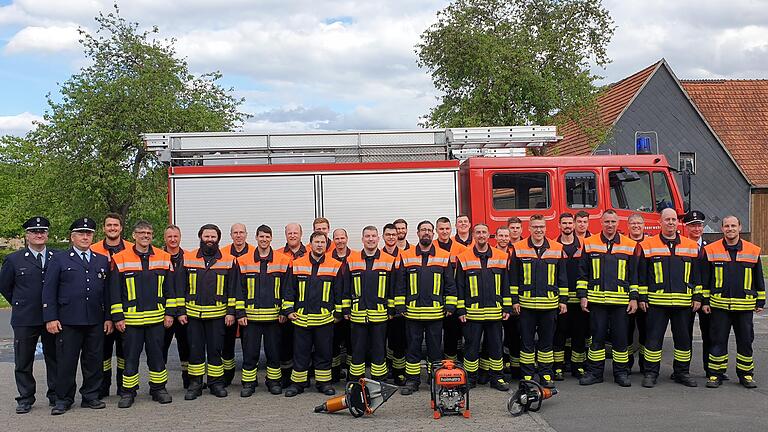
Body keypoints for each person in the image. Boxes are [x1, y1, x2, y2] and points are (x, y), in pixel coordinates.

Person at [43, 217, 113, 415]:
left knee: (94, 360)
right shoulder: (59, 259)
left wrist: (108, 317)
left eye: (89, 233)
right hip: (68, 320)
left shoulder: (101, 259)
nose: (85, 237)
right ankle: (63, 399)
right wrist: (50, 317)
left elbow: (107, 292)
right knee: (66, 361)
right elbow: (49, 290)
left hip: (94, 319)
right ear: (72, 237)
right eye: (81, 233)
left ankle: (90, 395)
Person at [110, 221, 175, 408]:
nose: (145, 236)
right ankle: (128, 392)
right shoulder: (120, 258)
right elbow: (114, 291)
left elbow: (169, 289)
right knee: (130, 358)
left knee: (157, 356)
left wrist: (169, 313)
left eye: (148, 232)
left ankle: (159, 389)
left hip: (157, 319)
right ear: (134, 235)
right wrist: (118, 317)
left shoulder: (163, 257)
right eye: (141, 232)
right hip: (131, 321)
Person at [637, 208, 701, 388]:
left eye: (673, 219)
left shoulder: (691, 246)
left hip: (683, 303)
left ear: (677, 222)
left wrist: (697, 296)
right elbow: (642, 275)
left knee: (683, 340)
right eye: (667, 219)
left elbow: (697, 276)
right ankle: (650, 373)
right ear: (660, 222)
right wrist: (642, 297)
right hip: (657, 303)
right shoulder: (648, 245)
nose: (671, 222)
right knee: (653, 340)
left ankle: (682, 373)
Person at [0, 216, 57, 413]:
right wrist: (20, 303)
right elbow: (5, 287)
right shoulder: (14, 260)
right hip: (25, 318)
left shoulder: (57, 257)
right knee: (23, 360)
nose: (39, 234)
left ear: (47, 234)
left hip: (52, 317)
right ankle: (25, 398)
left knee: (54, 358)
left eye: (42, 231)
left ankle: (55, 395)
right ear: (27, 235)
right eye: (34, 231)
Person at [282, 231, 348, 397]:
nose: (320, 245)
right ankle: (298, 383)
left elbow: (339, 291)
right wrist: (289, 311)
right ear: (310, 244)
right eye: (317, 242)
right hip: (301, 319)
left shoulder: (334, 264)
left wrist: (338, 313)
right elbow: (289, 289)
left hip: (325, 320)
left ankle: (324, 383)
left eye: (323, 242)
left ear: (326, 245)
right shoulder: (297, 263)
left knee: (323, 353)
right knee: (300, 353)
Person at [577, 210, 638, 387]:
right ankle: (595, 373)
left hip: (620, 303)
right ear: (601, 223)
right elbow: (583, 273)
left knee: (621, 340)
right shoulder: (589, 243)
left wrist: (633, 298)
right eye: (607, 222)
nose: (610, 225)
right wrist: (583, 296)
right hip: (597, 302)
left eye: (613, 222)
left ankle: (621, 373)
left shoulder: (629, 244)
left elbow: (633, 276)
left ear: (618, 224)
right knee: (597, 338)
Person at [176, 224, 237, 400]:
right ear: (200, 237)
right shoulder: (187, 258)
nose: (209, 240)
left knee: (215, 350)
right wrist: (180, 311)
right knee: (195, 350)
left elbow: (232, 289)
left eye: (213, 237)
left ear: (218, 239)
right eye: (206, 237)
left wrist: (231, 312)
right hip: (193, 316)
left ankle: (216, 383)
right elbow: (180, 287)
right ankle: (195, 384)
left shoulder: (228, 259)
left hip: (218, 316)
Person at [395, 220, 457, 395]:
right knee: (413, 349)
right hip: (412, 313)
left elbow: (450, 284)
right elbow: (401, 283)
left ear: (433, 233)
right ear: (418, 233)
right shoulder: (406, 255)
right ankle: (412, 381)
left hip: (435, 313)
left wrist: (451, 304)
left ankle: (434, 378)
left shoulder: (444, 255)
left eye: (429, 230)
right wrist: (400, 304)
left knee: (435, 349)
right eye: (423, 230)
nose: (426, 233)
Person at [702, 215, 764, 388]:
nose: (730, 229)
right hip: (719, 306)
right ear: (722, 229)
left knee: (745, 341)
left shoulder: (753, 250)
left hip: (744, 307)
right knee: (717, 341)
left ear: (740, 227)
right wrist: (705, 301)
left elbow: (758, 278)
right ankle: (715, 374)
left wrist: (760, 301)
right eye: (727, 226)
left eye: (733, 226)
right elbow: (707, 279)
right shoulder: (711, 250)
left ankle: (746, 375)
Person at [509, 214, 568, 388]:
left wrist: (563, 300)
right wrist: (514, 300)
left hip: (549, 306)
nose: (538, 230)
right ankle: (527, 376)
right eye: (535, 227)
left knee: (546, 344)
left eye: (541, 227)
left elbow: (562, 277)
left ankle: (546, 375)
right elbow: (514, 277)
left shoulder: (557, 248)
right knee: (526, 343)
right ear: (529, 228)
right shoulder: (518, 248)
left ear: (546, 228)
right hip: (526, 306)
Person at [234, 224, 291, 396]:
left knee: (273, 352)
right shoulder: (243, 260)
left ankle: (273, 382)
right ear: (256, 238)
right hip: (250, 318)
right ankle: (249, 383)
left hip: (274, 318)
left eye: (267, 237)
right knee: (250, 352)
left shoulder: (283, 260)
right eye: (261, 237)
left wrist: (284, 312)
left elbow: (287, 290)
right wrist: (240, 313)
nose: (264, 240)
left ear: (271, 239)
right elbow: (238, 290)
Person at [455, 223, 511, 391]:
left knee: (496, 347)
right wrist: (461, 309)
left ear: (489, 236)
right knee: (471, 348)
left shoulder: (501, 256)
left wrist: (506, 308)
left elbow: (505, 285)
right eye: (478, 232)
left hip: (495, 312)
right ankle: (470, 379)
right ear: (474, 235)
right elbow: (460, 287)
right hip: (473, 313)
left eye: (484, 232)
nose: (481, 235)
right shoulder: (463, 257)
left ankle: (497, 378)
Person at [346, 226, 397, 383]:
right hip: (357, 315)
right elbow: (346, 287)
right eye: (367, 236)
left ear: (378, 239)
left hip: (380, 314)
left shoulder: (389, 260)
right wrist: (346, 309)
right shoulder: (351, 260)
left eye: (373, 236)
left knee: (379, 349)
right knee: (357, 350)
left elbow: (392, 288)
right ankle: (355, 380)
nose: (370, 239)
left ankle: (379, 380)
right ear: (362, 239)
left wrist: (391, 309)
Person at [91, 213, 133, 398]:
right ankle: (102, 387)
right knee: (103, 352)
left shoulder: (132, 249)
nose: (112, 228)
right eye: (109, 225)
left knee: (125, 352)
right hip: (101, 309)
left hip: (127, 309)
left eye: (116, 225)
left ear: (121, 228)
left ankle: (124, 388)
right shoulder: (93, 249)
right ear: (104, 228)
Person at [553, 212, 587, 379]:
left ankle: (577, 366)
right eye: (564, 223)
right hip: (561, 300)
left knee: (579, 333)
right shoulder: (553, 246)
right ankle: (558, 367)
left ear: (574, 225)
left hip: (579, 299)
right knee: (560, 333)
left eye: (569, 223)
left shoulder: (584, 245)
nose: (567, 226)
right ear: (559, 225)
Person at [220, 223, 252, 387]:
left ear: (246, 235)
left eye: (241, 232)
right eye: (235, 233)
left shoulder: (254, 252)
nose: (239, 235)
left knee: (248, 343)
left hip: (248, 308)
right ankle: (227, 374)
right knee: (227, 343)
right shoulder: (223, 253)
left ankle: (248, 375)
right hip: (228, 306)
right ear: (231, 235)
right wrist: (230, 310)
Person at [684, 210, 715, 378]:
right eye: (692, 226)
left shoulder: (711, 247)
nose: (696, 229)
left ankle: (711, 370)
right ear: (686, 227)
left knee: (709, 335)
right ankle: (683, 370)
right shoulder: (681, 245)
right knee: (684, 336)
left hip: (706, 299)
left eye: (699, 225)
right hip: (687, 298)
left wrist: (706, 299)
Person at [433, 217, 467, 364]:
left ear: (451, 229)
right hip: (434, 299)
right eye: (441, 229)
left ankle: (451, 364)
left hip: (453, 298)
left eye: (447, 229)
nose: (444, 231)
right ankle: (435, 364)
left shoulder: (462, 249)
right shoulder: (429, 247)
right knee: (433, 336)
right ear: (436, 230)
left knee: (452, 334)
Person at [162, 225, 190, 388]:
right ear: (165, 238)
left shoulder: (188, 257)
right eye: (169, 236)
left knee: (186, 347)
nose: (173, 239)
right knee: (161, 349)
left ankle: (189, 381)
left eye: (175, 236)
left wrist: (182, 311)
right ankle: (159, 384)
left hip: (184, 313)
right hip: (164, 313)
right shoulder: (158, 257)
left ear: (180, 237)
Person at [278, 222, 305, 386]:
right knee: (285, 343)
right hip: (285, 308)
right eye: (290, 233)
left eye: (295, 233)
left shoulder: (309, 253)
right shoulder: (278, 255)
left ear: (301, 234)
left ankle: (303, 376)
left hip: (304, 308)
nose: (293, 235)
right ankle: (286, 377)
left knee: (303, 344)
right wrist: (284, 309)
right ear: (285, 235)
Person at [382, 223, 407, 385]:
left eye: (394, 234)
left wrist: (400, 306)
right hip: (380, 307)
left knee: (398, 341)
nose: (391, 237)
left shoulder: (404, 256)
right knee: (380, 342)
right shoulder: (377, 255)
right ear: (383, 237)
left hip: (397, 309)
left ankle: (398, 372)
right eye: (388, 234)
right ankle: (387, 369)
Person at [329, 228, 353, 382]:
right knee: (334, 343)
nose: (340, 241)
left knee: (352, 343)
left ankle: (352, 373)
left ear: (347, 238)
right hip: (334, 309)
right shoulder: (327, 258)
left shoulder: (356, 257)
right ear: (333, 240)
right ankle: (335, 372)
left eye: (342, 238)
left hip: (351, 310)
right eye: (337, 238)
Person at [626, 213, 647, 373]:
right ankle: (626, 364)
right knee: (627, 331)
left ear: (643, 225)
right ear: (628, 226)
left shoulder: (651, 243)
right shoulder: (623, 243)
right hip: (626, 295)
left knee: (646, 331)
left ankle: (645, 365)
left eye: (639, 223)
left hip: (646, 296)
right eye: (633, 223)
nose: (636, 226)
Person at [504, 217, 523, 377]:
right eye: (512, 228)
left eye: (517, 228)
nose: (515, 230)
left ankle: (517, 366)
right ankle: (507, 362)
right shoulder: (502, 249)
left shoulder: (525, 247)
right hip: (506, 295)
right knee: (508, 332)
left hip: (520, 296)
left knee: (518, 332)